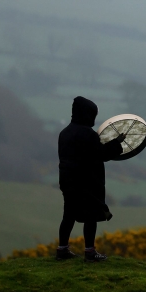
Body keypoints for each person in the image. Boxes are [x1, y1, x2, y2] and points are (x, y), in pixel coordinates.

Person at [56, 96, 126, 262]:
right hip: (87, 183)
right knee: (91, 216)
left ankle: (62, 250)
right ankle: (90, 252)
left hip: (67, 182)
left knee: (68, 215)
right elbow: (100, 154)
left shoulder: (64, 133)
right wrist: (116, 143)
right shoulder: (88, 134)